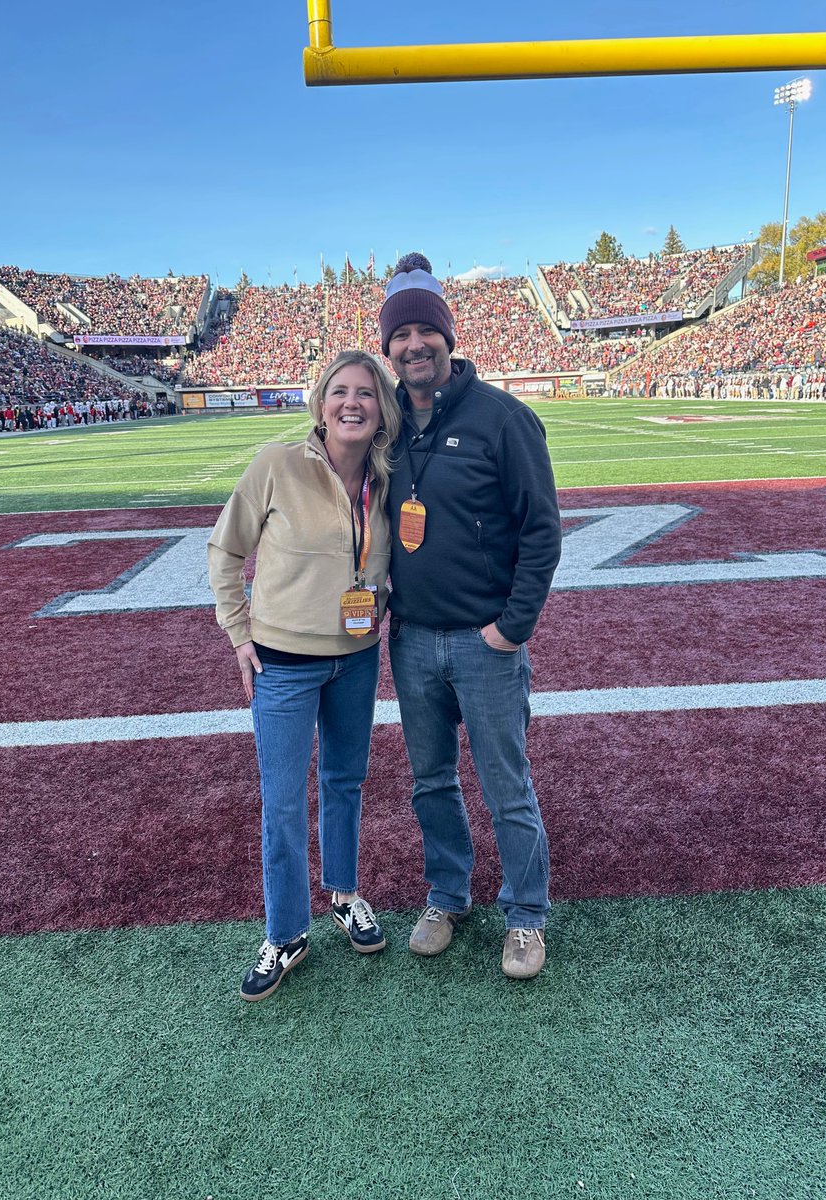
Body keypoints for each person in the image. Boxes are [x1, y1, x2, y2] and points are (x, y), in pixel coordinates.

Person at [378, 253, 562, 980]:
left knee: (505, 781)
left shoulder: (504, 419)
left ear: (449, 338)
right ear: (387, 346)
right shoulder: (388, 425)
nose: (414, 345)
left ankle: (525, 914)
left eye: (427, 330)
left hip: (487, 643)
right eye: (401, 335)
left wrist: (512, 627)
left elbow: (542, 530)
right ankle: (448, 895)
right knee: (430, 781)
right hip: (413, 639)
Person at [207, 350, 401, 1002]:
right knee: (283, 802)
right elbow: (224, 548)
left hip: (357, 655)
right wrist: (239, 634)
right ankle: (286, 932)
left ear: (381, 411)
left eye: (366, 394)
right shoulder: (277, 465)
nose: (353, 403)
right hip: (284, 664)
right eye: (340, 392)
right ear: (320, 404)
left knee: (345, 781)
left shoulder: (387, 476)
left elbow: (386, 557)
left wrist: (387, 595)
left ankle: (344, 894)